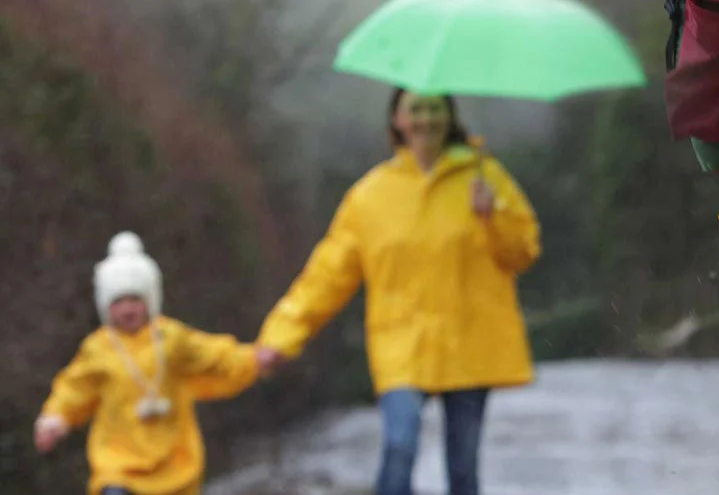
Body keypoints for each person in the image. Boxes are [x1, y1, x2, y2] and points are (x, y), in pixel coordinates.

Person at [253, 88, 540, 495]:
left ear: (449, 117)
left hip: (470, 340)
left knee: (463, 468)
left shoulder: (486, 178)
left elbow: (522, 254)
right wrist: (282, 335)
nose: (425, 119)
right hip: (402, 342)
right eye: (416, 110)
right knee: (399, 446)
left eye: (434, 109)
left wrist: (493, 216)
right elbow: (327, 274)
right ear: (397, 121)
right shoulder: (371, 196)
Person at [34, 232, 260, 495]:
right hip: (118, 467)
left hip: (174, 464)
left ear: (150, 300)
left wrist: (255, 358)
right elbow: (75, 387)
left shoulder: (172, 338)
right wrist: (55, 418)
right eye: (118, 302)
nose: (128, 310)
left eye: (135, 299)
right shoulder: (98, 348)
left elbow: (212, 355)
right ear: (106, 306)